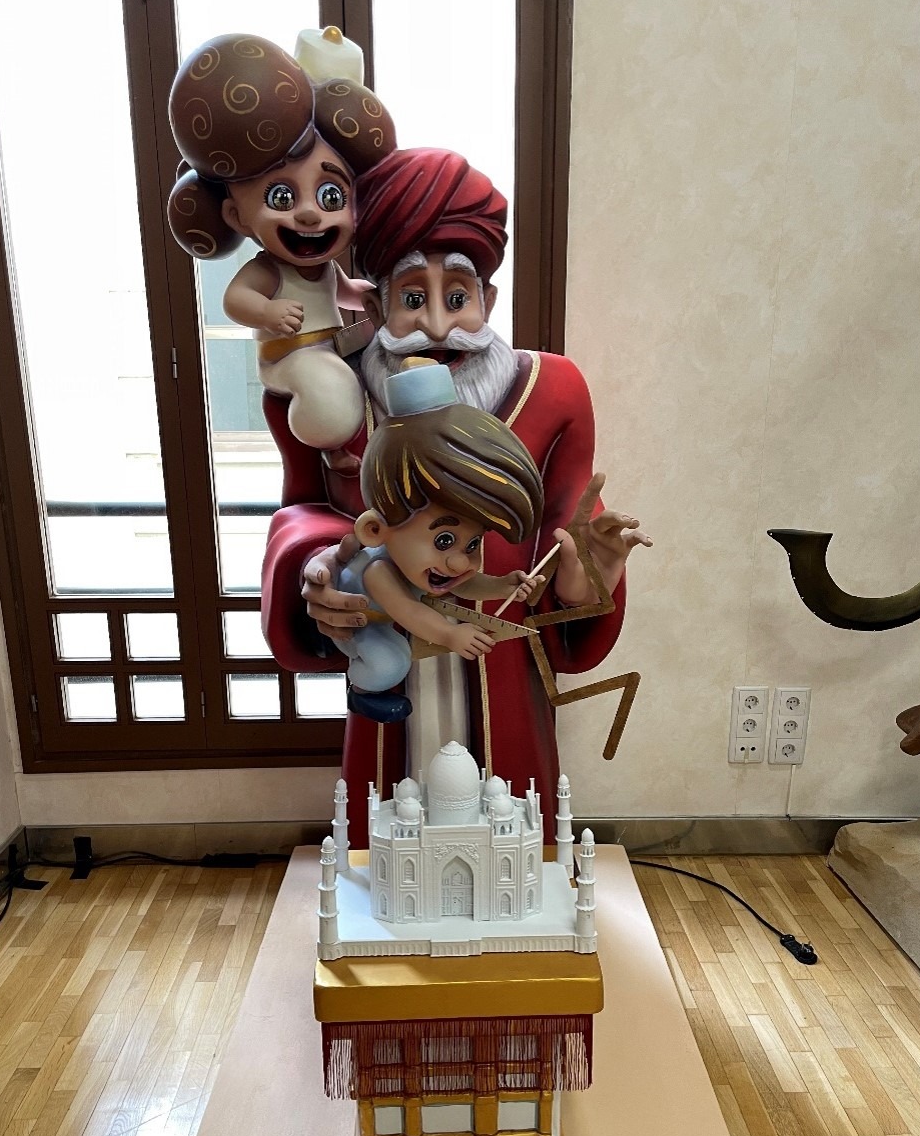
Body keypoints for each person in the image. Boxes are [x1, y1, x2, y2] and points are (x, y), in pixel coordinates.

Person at [261, 149, 651, 841]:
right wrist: (320, 564)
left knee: (512, 833)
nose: (439, 328)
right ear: (375, 304)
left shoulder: (555, 391)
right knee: (386, 840)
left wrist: (591, 565)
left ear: (488, 301)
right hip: (388, 642)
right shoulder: (330, 396)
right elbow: (302, 511)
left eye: (459, 296)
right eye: (413, 299)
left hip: (499, 662)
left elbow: (566, 529)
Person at [167, 31, 395, 472]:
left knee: (385, 359)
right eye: (282, 198)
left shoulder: (325, 266)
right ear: (237, 216)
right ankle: (329, 445)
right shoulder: (269, 270)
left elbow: (343, 290)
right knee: (331, 392)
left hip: (331, 347)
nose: (309, 214)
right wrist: (267, 313)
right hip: (288, 357)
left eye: (330, 196)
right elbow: (235, 299)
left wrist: (371, 295)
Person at [335, 360, 545, 721]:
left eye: (473, 544)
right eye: (444, 540)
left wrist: (502, 585)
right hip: (360, 621)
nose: (461, 561)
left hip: (391, 619)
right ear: (375, 530)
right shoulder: (377, 573)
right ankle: (362, 691)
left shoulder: (423, 565)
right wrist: (450, 635)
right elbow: (410, 611)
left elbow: (465, 583)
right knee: (390, 662)